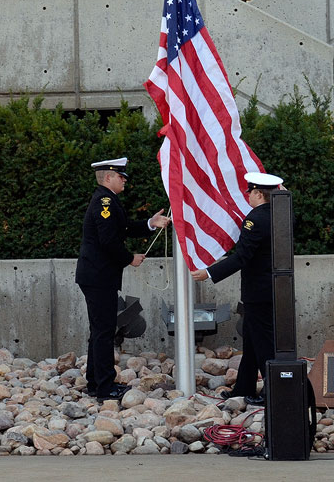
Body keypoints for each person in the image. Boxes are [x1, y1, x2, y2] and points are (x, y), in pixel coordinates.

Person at [76, 157, 171, 401]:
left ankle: (97, 383)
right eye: (121, 176)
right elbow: (108, 240)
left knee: (100, 330)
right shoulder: (104, 201)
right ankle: (105, 388)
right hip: (99, 276)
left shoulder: (108, 200)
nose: (124, 181)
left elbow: (124, 227)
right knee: (104, 332)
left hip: (98, 275)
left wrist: (150, 223)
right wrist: (129, 258)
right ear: (108, 177)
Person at [190, 172, 283, 406]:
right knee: (252, 342)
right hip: (272, 289)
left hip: (258, 292)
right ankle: (243, 387)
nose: (248, 196)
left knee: (263, 345)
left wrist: (210, 272)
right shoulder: (281, 215)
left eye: (250, 192)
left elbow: (242, 256)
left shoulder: (256, 219)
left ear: (259, 194)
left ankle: (274, 393)